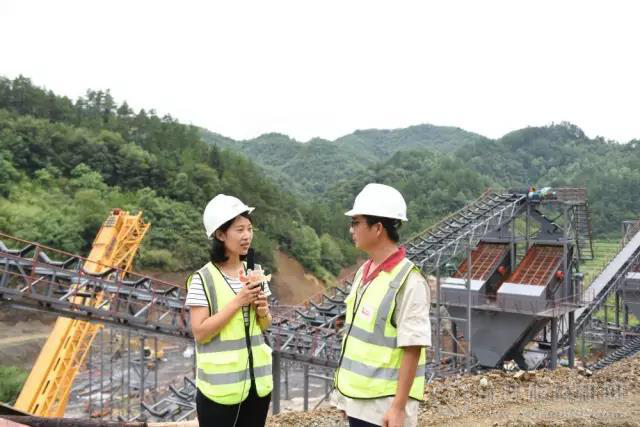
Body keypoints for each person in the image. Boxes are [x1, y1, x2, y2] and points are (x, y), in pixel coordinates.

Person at [333, 183, 431, 427]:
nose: (351, 229)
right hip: (359, 399)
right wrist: (346, 398)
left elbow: (412, 347)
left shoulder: (409, 281)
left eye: (356, 222)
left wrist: (398, 408)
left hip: (384, 406)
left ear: (377, 228)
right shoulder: (364, 272)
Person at [185, 194, 273, 427]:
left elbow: (265, 325)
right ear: (220, 234)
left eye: (249, 229)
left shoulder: (255, 271)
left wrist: (263, 311)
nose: (247, 236)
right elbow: (200, 332)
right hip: (219, 391)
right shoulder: (203, 279)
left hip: (257, 386)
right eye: (239, 230)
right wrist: (238, 301)